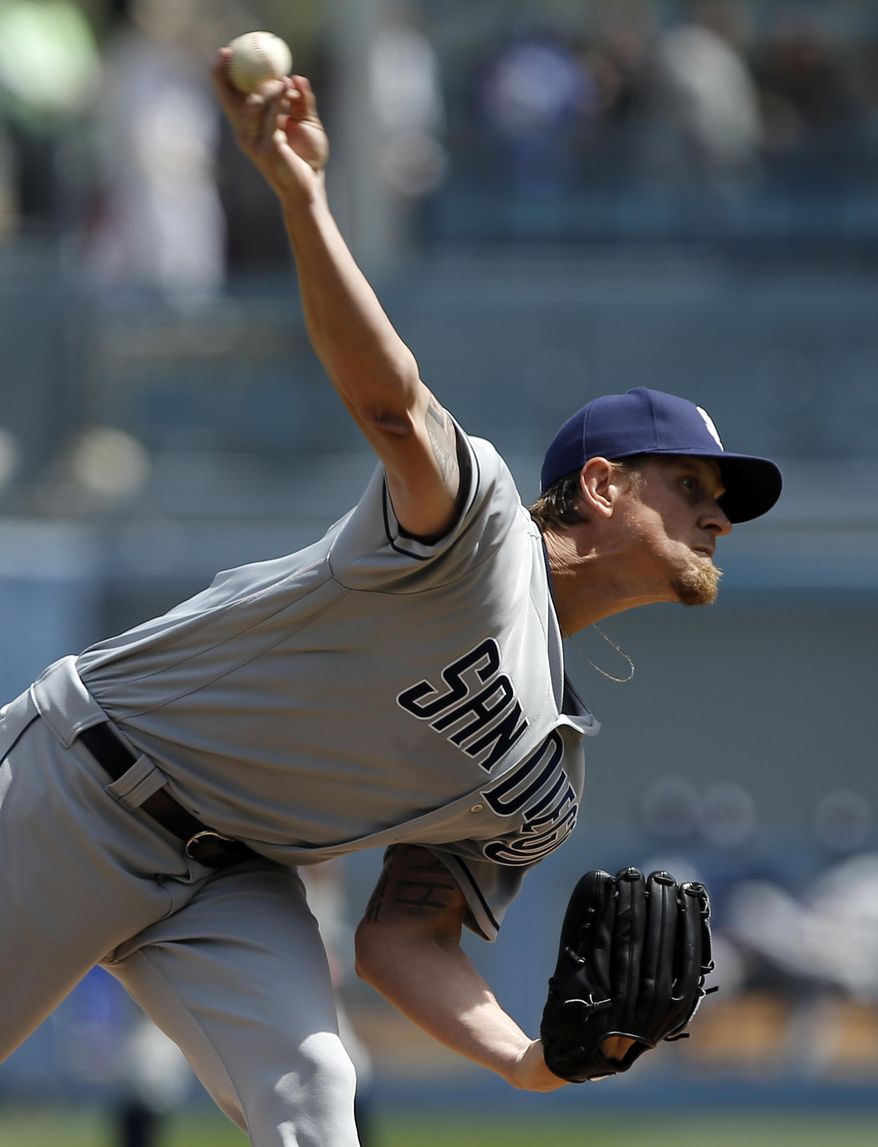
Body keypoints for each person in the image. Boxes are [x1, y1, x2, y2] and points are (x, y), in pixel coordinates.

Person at [0, 52, 783, 1147]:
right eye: (690, 487)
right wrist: (301, 197)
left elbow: (401, 940)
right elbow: (387, 403)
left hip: (234, 879)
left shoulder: (542, 779)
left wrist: (523, 1058)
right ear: (601, 487)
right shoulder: (474, 535)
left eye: (719, 502)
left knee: (318, 1100)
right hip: (79, 790)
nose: (716, 517)